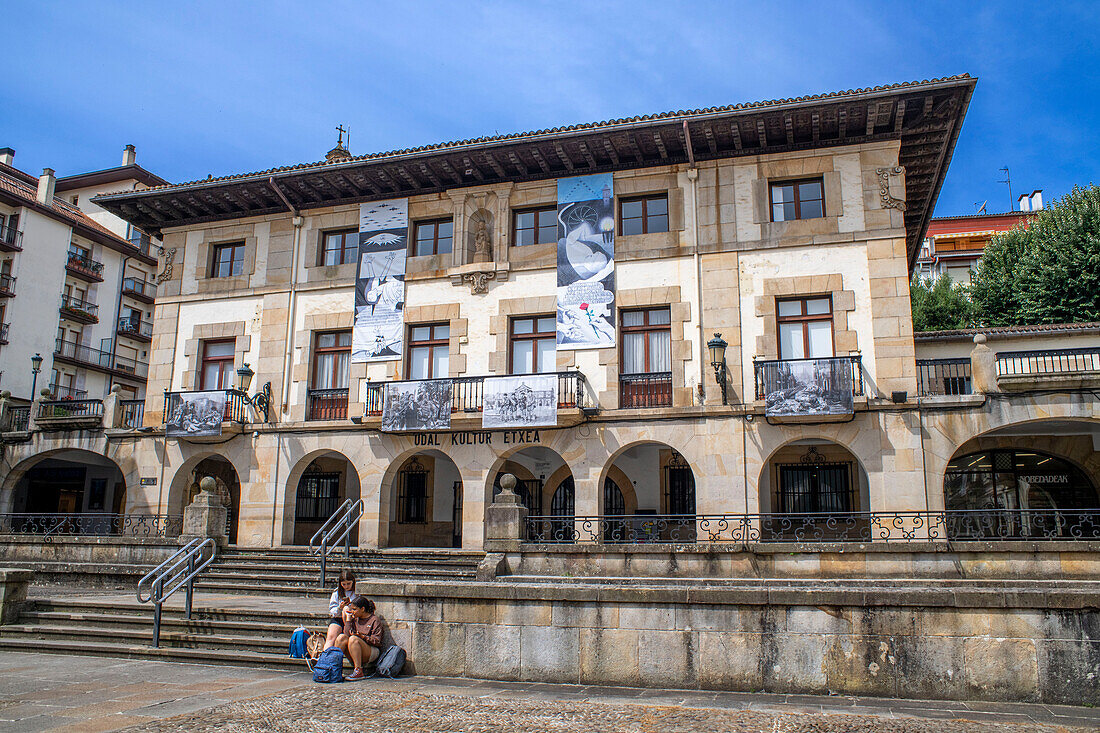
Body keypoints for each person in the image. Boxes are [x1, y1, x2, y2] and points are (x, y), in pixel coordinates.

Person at [335, 597, 383, 681]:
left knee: (353, 639)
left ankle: (358, 670)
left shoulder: (374, 620)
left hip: (370, 650)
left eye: (354, 609)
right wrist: (348, 620)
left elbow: (377, 641)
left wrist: (362, 636)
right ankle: (334, 667)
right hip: (354, 648)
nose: (352, 611)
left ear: (363, 609)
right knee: (341, 637)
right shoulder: (355, 618)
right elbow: (346, 635)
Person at [323, 570, 358, 650]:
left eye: (348, 583)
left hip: (353, 618)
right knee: (331, 637)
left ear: (353, 581)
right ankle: (323, 657)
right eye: (344, 584)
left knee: (346, 609)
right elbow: (332, 611)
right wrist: (340, 608)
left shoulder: (357, 592)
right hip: (338, 618)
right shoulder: (337, 593)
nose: (346, 586)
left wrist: (351, 605)